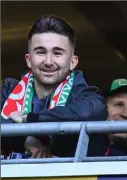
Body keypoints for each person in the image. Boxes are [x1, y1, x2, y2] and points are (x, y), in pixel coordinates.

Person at [1, 15, 108, 158]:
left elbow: (96, 110)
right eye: (40, 52)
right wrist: (24, 140)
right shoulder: (9, 91)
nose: (48, 61)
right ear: (28, 60)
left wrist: (31, 119)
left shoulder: (86, 97)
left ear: (72, 62)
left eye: (57, 53)